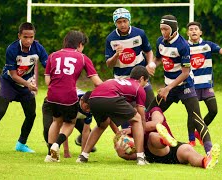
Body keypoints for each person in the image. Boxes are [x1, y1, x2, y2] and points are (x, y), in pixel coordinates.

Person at [147, 15, 213, 154]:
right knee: (149, 113)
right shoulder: (160, 41)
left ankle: (210, 151)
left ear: (174, 29)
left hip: (185, 87)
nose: (163, 32)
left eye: (166, 29)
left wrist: (168, 88)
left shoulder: (183, 45)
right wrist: (153, 63)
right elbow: (159, 57)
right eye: (161, 29)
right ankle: (142, 147)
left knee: (196, 118)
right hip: (168, 88)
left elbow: (185, 72)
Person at [0, 22, 48, 154]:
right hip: (9, 83)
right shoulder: (11, 49)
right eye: (25, 37)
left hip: (25, 84)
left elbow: (48, 66)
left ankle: (21, 144)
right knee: (0, 111)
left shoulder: (38, 48)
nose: (28, 40)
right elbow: (13, 75)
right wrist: (29, 85)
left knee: (31, 115)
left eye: (31, 37)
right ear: (19, 36)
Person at [44, 30, 102, 162]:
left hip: (52, 95)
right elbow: (97, 82)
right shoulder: (82, 57)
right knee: (70, 122)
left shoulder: (52, 56)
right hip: (69, 96)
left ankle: (50, 155)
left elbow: (47, 81)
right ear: (80, 44)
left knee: (56, 121)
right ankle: (56, 145)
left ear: (65, 42)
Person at [76, 66, 150, 165]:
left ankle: (83, 156)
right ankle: (141, 157)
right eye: (146, 81)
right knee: (137, 119)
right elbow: (141, 116)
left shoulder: (119, 81)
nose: (145, 84)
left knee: (102, 124)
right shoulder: (139, 88)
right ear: (141, 78)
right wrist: (143, 131)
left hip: (93, 98)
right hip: (110, 97)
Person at [114, 107, 220, 169]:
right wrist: (122, 153)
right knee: (152, 137)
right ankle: (164, 140)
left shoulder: (154, 111)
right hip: (150, 154)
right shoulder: (130, 126)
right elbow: (131, 152)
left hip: (171, 148)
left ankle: (206, 161)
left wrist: (133, 129)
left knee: (188, 151)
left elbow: (157, 123)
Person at [186, 22, 222, 145]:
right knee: (193, 113)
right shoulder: (184, 46)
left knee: (213, 110)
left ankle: (199, 133)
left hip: (207, 85)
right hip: (192, 85)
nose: (193, 31)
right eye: (191, 29)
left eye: (196, 29)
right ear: (187, 33)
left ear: (200, 32)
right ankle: (191, 140)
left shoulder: (208, 45)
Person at [105, 8, 155, 110]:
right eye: (119, 22)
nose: (122, 24)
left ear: (129, 21)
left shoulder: (140, 33)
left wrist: (150, 64)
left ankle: (154, 125)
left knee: (153, 109)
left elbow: (148, 51)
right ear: (115, 23)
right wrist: (116, 55)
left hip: (141, 78)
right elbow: (109, 64)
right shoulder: (110, 39)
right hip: (122, 81)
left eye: (125, 21)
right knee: (128, 115)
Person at [42, 89, 96, 158]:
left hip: (73, 109)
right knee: (48, 128)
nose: (88, 110)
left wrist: (83, 154)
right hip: (52, 103)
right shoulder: (72, 102)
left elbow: (86, 131)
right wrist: (66, 151)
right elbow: (64, 127)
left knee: (89, 132)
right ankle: (51, 150)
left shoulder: (91, 106)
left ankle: (79, 141)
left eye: (90, 108)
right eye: (87, 107)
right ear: (82, 101)